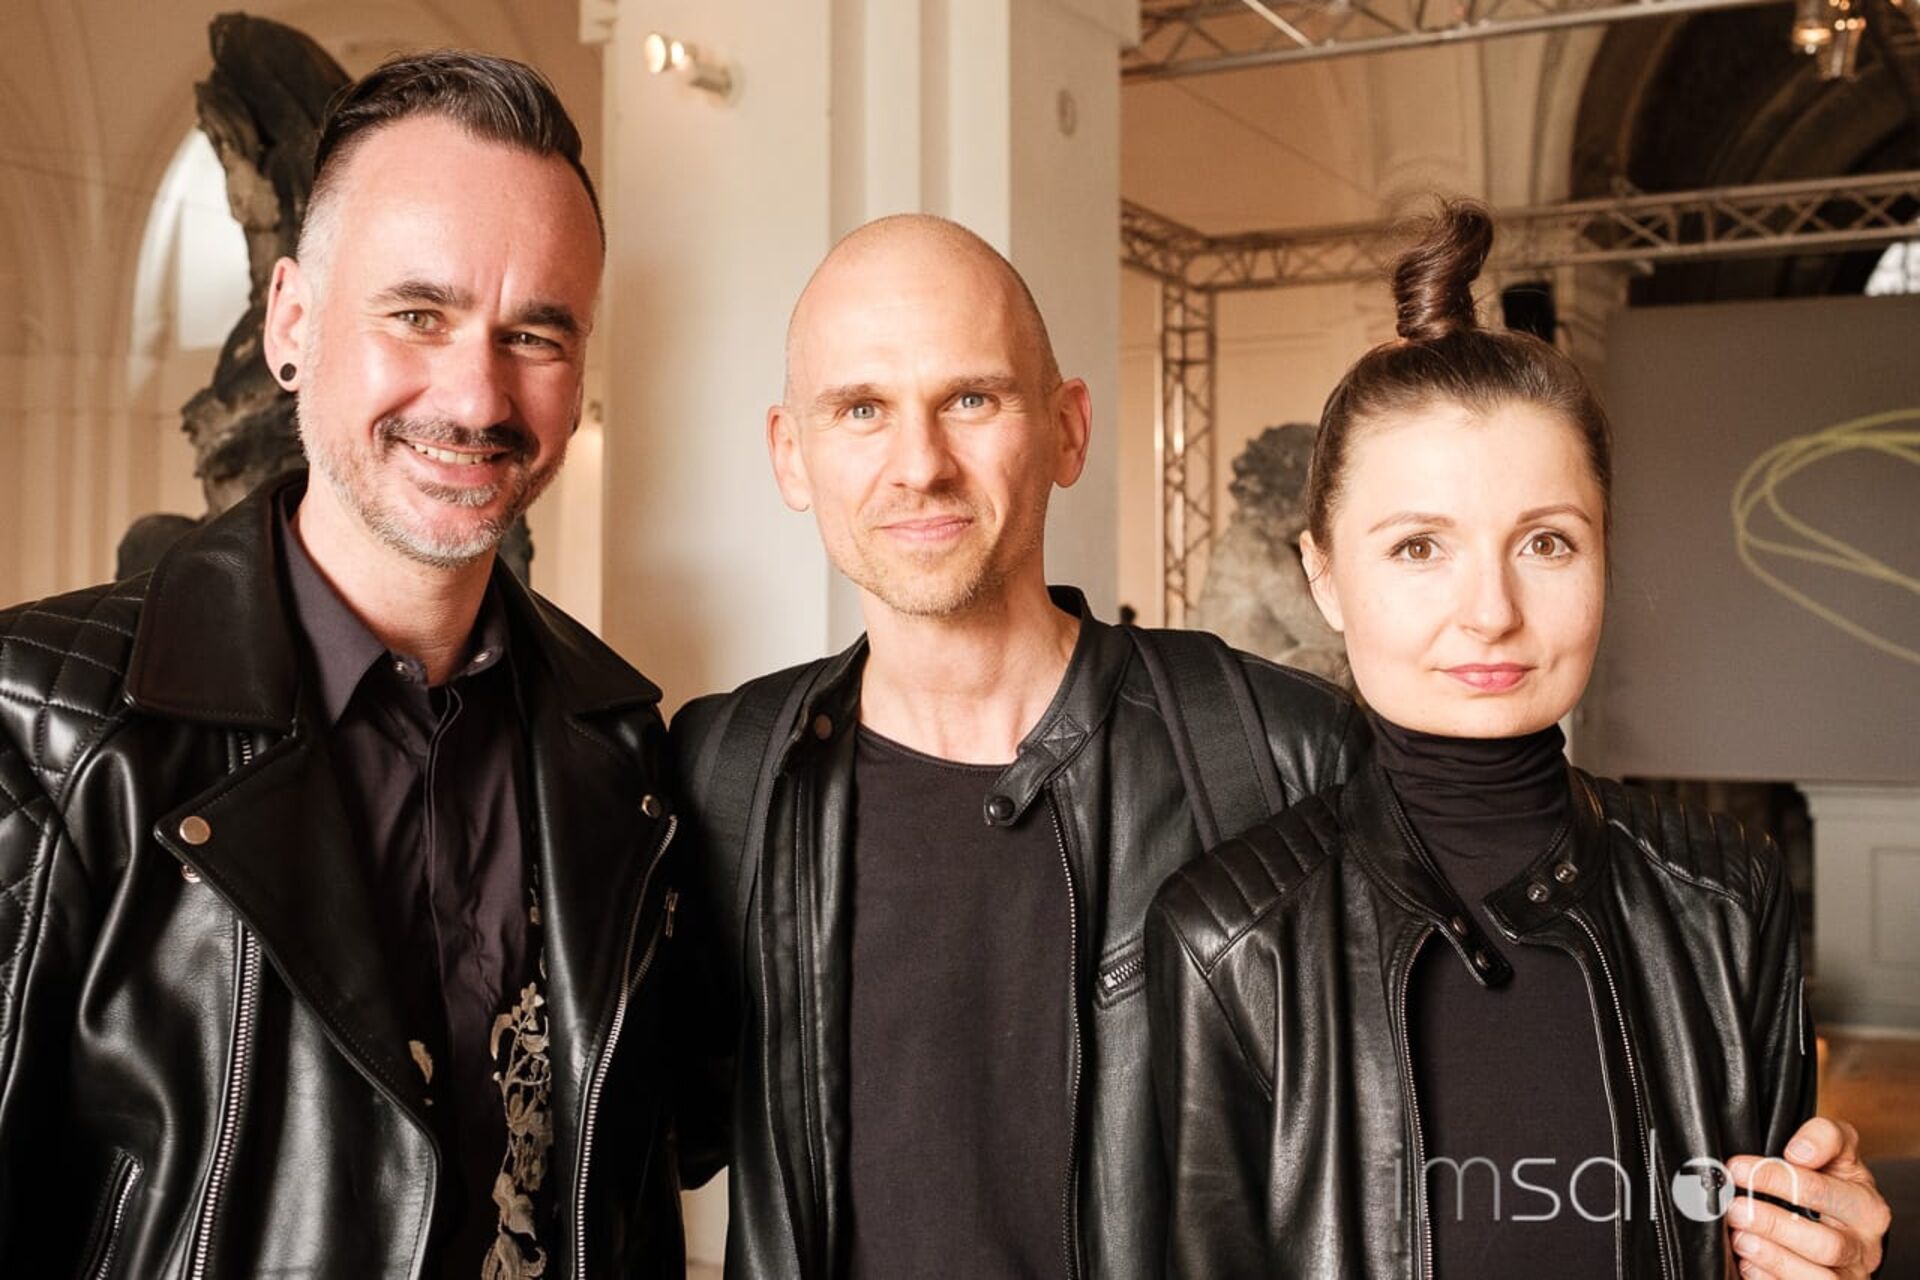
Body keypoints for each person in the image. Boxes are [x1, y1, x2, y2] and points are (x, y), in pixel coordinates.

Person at [0, 53, 691, 1278]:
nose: (476, 395)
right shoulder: (39, 723)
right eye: (417, 314)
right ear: (292, 323)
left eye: (534, 333)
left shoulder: (623, 746)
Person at [1147, 201, 1893, 1279]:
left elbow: (1768, 1243)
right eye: (1419, 547)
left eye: (1546, 542)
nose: (1491, 612)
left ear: (1605, 553)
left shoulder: (1726, 893)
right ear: (1324, 576)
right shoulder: (1226, 939)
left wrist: (1828, 1258)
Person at [669, 214, 1365, 1278]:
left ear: (1068, 429)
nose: (919, 465)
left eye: (971, 399)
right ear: (790, 454)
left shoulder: (1280, 756)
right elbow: (646, 1141)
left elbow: (1400, 1161)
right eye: (861, 409)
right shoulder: (728, 772)